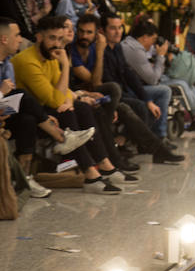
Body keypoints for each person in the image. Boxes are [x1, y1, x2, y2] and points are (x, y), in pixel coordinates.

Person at [0, 17, 93, 183]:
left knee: (28, 118)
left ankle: (25, 178)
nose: (20, 39)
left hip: (4, 111)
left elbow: (58, 95)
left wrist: (68, 97)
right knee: (22, 95)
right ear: (4, 39)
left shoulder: (8, 63)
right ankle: (61, 137)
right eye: (17, 35)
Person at [11, 15, 126, 193]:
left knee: (83, 107)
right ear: (39, 37)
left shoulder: (49, 56)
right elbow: (55, 99)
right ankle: (92, 173)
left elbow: (61, 91)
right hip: (30, 113)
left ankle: (103, 165)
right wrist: (65, 64)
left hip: (45, 107)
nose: (57, 44)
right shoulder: (27, 61)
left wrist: (75, 98)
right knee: (69, 112)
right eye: (52, 38)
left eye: (59, 38)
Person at [73, 13, 184, 164]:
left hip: (117, 92)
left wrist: (147, 100)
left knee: (146, 103)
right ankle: (146, 146)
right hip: (105, 94)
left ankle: (132, 142)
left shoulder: (117, 47)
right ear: (103, 31)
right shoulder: (98, 49)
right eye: (113, 28)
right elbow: (98, 82)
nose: (118, 32)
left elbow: (128, 74)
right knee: (136, 105)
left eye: (120, 28)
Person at [122, 19, 195, 133]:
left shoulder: (135, 44)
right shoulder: (134, 50)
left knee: (184, 82)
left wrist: (164, 54)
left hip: (147, 80)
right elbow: (152, 79)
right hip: (141, 85)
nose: (154, 43)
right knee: (181, 84)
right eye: (153, 40)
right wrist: (161, 56)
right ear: (144, 37)